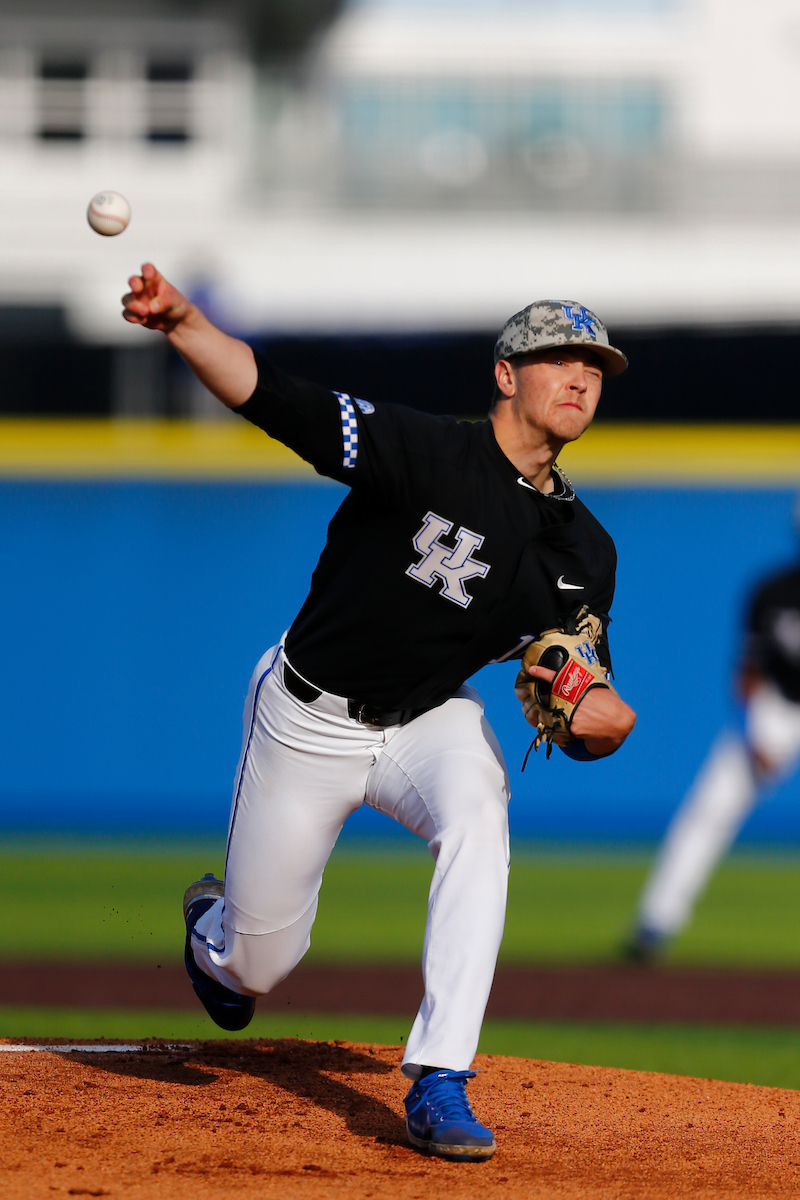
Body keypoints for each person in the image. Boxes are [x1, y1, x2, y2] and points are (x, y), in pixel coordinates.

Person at [122, 264, 636, 1161]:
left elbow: (588, 703)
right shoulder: (423, 450)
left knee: (481, 812)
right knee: (257, 966)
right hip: (308, 716)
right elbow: (277, 398)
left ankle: (441, 1077)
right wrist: (185, 324)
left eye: (594, 365)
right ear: (507, 374)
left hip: (428, 717)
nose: (581, 377)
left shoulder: (585, 549)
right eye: (559, 358)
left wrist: (599, 719)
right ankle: (215, 932)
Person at [626, 540, 800, 960]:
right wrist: (753, 732)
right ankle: (654, 924)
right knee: (709, 809)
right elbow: (748, 670)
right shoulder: (772, 590)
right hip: (777, 710)